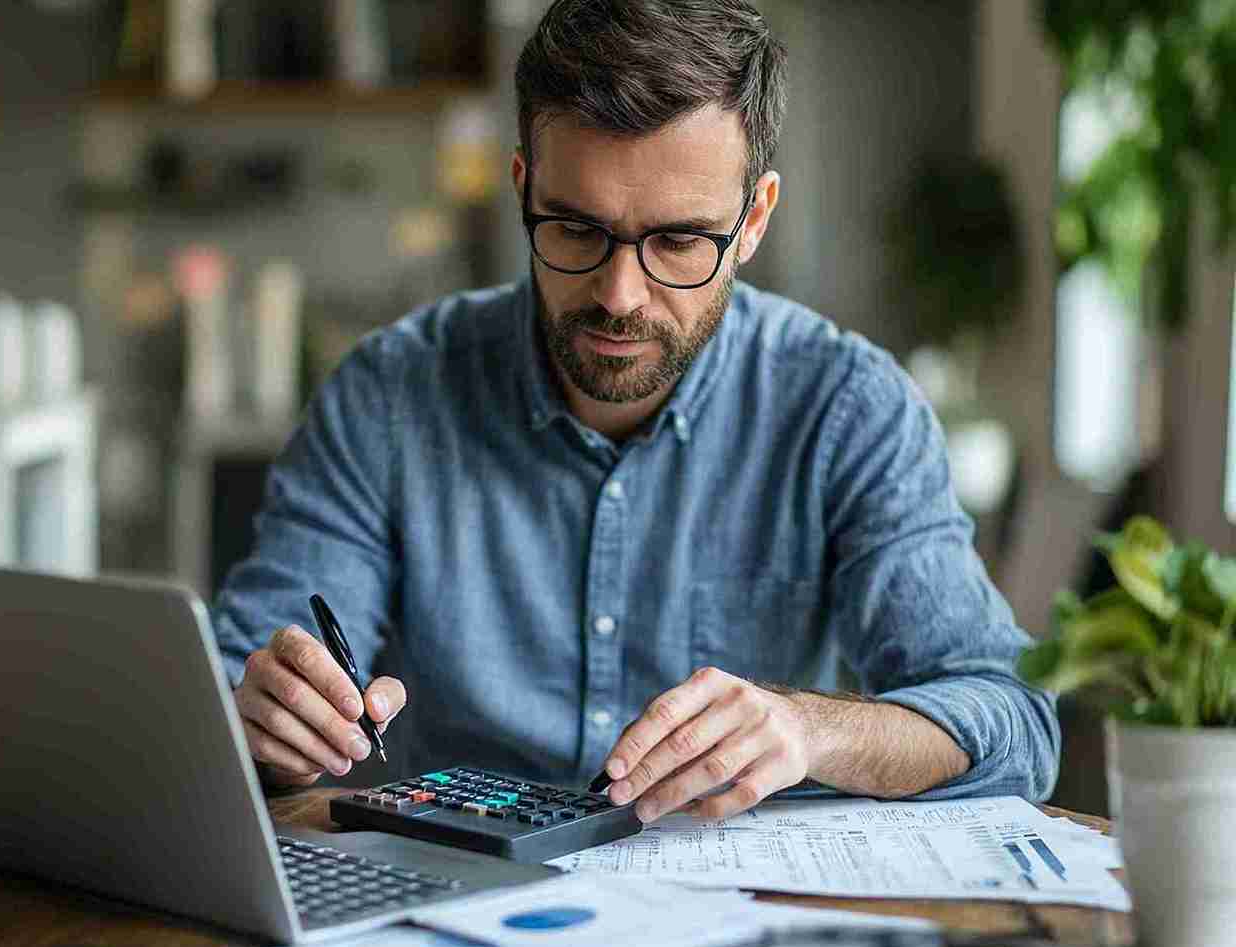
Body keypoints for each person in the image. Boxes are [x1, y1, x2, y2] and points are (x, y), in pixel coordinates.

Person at [214, 0, 1059, 824]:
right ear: (523, 187)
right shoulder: (387, 395)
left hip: (730, 938)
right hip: (448, 916)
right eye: (577, 231)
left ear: (753, 218)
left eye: (679, 242)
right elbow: (227, 688)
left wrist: (807, 728)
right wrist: (269, 721)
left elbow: (1013, 726)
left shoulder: (847, 410)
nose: (620, 297)